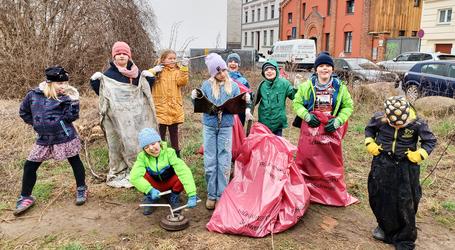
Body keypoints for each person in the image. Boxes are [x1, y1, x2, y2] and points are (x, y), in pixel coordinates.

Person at [365, 96, 437, 250]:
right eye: (393, 124)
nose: (397, 127)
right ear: (386, 117)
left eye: (401, 124)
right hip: (382, 161)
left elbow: (430, 141)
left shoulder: (417, 123)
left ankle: (403, 232)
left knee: (406, 200)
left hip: (407, 165)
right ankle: (384, 226)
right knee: (380, 196)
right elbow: (369, 130)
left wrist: (420, 154)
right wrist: (370, 143)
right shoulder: (378, 119)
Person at [14, 66, 87, 216]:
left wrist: (74, 102)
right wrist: (36, 124)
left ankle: (81, 188)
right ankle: (25, 197)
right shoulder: (33, 95)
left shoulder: (66, 97)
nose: (64, 86)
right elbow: (23, 111)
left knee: (75, 160)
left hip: (64, 136)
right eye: (60, 84)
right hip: (43, 139)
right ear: (50, 83)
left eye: (66, 83)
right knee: (30, 165)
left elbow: (71, 117)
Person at [90, 41, 157, 188]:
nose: (121, 56)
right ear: (114, 57)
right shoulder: (109, 74)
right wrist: (94, 82)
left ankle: (143, 167)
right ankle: (126, 167)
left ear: (129, 56)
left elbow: (145, 91)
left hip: (136, 115)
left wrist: (150, 78)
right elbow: (102, 94)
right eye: (118, 54)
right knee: (122, 142)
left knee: (137, 142)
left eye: (124, 54)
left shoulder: (136, 72)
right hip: (119, 117)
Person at [292, 52, 356, 207]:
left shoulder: (340, 88)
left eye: (327, 66)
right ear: (316, 69)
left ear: (332, 69)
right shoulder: (307, 86)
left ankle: (329, 191)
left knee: (330, 161)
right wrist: (306, 116)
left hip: (330, 129)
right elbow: (297, 103)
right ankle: (308, 189)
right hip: (311, 128)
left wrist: (338, 121)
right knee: (307, 158)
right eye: (321, 66)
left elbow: (348, 106)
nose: (324, 69)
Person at [191, 53, 243, 210]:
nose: (222, 74)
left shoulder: (233, 86)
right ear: (213, 73)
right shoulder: (206, 85)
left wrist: (244, 101)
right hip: (210, 126)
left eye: (223, 71)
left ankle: (222, 194)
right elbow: (199, 103)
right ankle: (211, 194)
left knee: (224, 159)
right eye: (218, 72)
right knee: (210, 159)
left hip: (226, 126)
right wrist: (195, 97)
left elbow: (238, 104)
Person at [130, 128, 197, 215]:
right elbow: (134, 177)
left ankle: (174, 196)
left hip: (170, 184)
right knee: (140, 174)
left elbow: (184, 172)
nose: (151, 148)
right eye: (146, 147)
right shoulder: (142, 157)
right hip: (154, 186)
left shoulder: (170, 153)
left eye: (153, 143)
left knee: (181, 173)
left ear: (159, 142)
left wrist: (192, 194)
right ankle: (151, 197)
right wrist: (149, 189)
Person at [147, 49, 189, 157]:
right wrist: (153, 71)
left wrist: (184, 67)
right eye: (170, 58)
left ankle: (176, 155)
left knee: (174, 133)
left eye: (174, 58)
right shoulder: (158, 72)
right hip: (160, 109)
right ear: (163, 59)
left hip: (174, 108)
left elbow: (182, 82)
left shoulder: (177, 71)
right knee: (160, 134)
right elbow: (145, 77)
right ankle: (161, 154)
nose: (173, 60)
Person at [248, 59, 296, 136]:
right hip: (264, 122)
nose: (269, 71)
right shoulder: (262, 85)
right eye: (266, 70)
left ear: (276, 70)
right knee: (265, 145)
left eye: (272, 69)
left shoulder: (284, 84)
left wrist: (296, 88)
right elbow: (254, 101)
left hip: (278, 122)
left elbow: (294, 96)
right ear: (263, 73)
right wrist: (248, 98)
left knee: (277, 145)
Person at [226, 52, 251, 125]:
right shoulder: (223, 78)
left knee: (238, 132)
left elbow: (249, 96)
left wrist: (248, 109)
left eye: (235, 61)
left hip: (240, 112)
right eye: (230, 61)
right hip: (226, 112)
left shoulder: (243, 81)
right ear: (227, 64)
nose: (233, 63)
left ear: (239, 65)